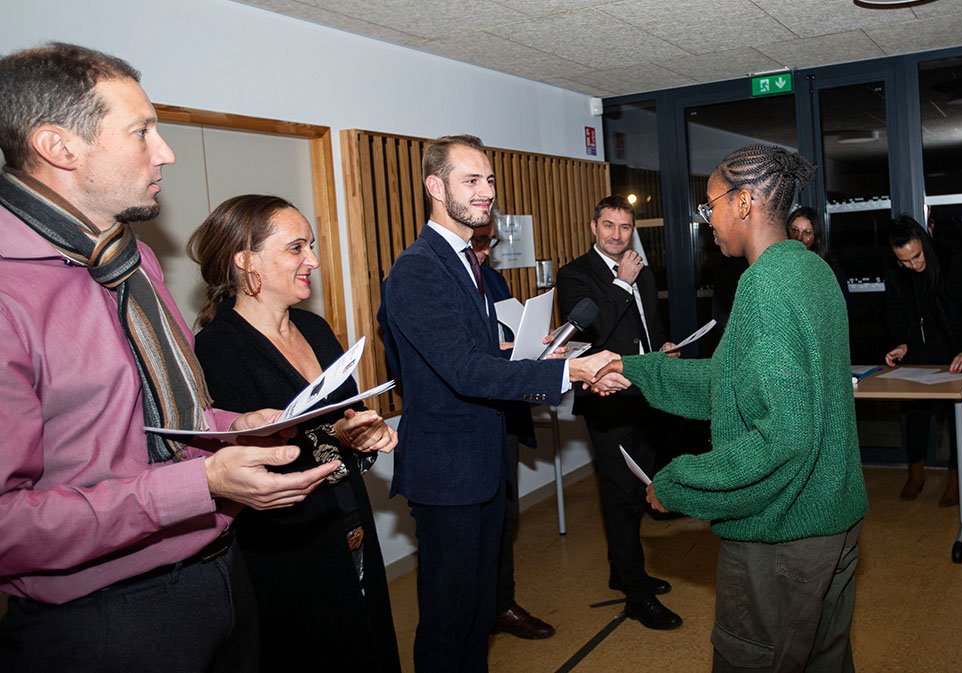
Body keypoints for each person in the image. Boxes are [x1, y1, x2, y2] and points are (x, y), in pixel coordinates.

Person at [0, 43, 338, 672]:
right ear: (59, 146)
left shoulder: (134, 261)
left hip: (220, 574)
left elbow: (162, 417)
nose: (166, 152)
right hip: (104, 618)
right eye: (141, 131)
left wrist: (231, 428)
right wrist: (200, 483)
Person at [595, 144, 868, 673]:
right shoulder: (812, 272)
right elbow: (730, 382)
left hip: (783, 533)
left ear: (744, 203)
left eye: (710, 205)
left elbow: (782, 437)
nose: (707, 220)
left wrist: (679, 484)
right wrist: (633, 370)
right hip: (833, 518)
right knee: (824, 659)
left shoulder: (765, 286)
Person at [376, 134, 617, 673]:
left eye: (488, 180)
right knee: (449, 620)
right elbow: (463, 370)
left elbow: (480, 352)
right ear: (435, 187)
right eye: (471, 181)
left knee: (479, 611)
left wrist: (531, 352)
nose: (486, 192)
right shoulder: (418, 268)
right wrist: (565, 370)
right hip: (448, 473)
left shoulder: (468, 263)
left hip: (482, 460)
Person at [188, 194, 402, 672]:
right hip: (285, 545)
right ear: (246, 260)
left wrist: (363, 433)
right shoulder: (217, 350)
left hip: (347, 518)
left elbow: (346, 418)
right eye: (296, 248)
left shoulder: (314, 327)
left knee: (366, 641)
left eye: (312, 246)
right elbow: (239, 463)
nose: (314, 260)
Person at [555, 195, 683, 630]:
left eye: (625, 227)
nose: (617, 235)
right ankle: (636, 593)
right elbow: (592, 332)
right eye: (608, 226)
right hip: (605, 398)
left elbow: (651, 327)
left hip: (645, 392)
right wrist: (622, 283)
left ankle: (622, 570)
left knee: (642, 484)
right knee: (621, 495)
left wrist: (664, 347)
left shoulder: (640, 270)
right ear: (594, 227)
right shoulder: (574, 274)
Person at [471, 210, 555, 640]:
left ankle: (502, 603)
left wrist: (533, 346)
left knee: (505, 516)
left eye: (489, 244)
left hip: (503, 413)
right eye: (478, 242)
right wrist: (501, 352)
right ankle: (475, 615)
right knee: (472, 531)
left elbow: (510, 332)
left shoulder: (495, 280)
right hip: (465, 425)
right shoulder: (426, 280)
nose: (485, 252)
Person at [882, 214, 962, 506]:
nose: (913, 265)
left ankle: (957, 478)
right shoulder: (896, 271)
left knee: (958, 418)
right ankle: (915, 472)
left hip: (954, 354)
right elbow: (897, 314)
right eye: (904, 261)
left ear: (924, 242)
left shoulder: (949, 261)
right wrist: (903, 343)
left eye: (916, 257)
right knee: (914, 415)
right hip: (919, 355)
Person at [787, 205, 849, 303]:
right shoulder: (781, 265)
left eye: (807, 233)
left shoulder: (830, 269)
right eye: (794, 230)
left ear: (816, 238)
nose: (799, 238)